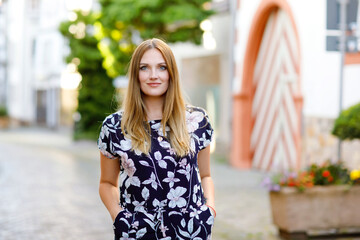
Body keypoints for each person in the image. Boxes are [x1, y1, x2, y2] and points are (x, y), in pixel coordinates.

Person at [98, 38, 216, 240]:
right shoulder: (115, 126)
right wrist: (120, 218)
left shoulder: (197, 121)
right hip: (138, 233)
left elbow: (205, 175)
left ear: (171, 73)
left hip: (191, 231)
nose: (153, 75)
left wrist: (209, 211)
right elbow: (107, 183)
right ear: (136, 74)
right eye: (145, 68)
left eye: (161, 67)